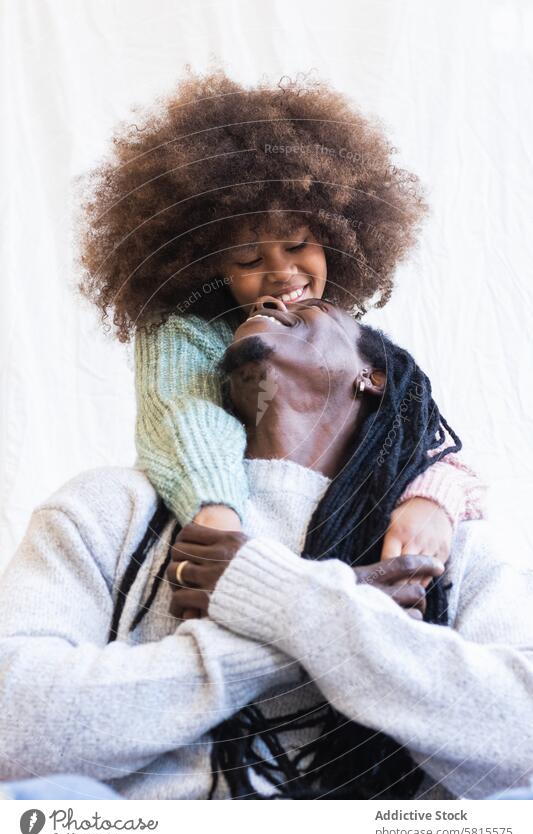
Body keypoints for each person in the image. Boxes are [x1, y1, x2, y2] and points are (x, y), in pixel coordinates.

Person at [0, 299, 531, 800]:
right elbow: (12, 723)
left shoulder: (443, 545)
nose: (269, 304)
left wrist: (288, 599)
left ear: (372, 378)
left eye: (314, 310)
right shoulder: (111, 507)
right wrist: (294, 633)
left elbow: (521, 739)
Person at [76, 68, 485, 594]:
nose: (281, 272)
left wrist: (431, 501)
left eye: (297, 246)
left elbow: (422, 441)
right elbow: (188, 415)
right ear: (207, 269)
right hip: (228, 547)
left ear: (343, 235)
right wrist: (218, 518)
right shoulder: (186, 333)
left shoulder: (354, 343)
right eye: (249, 257)